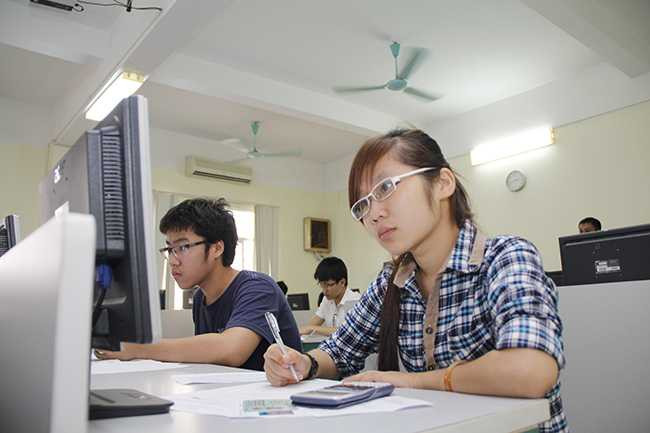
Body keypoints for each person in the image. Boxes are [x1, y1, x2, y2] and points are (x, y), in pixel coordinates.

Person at [263, 129, 567, 433]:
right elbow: (340, 350)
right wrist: (304, 363)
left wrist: (413, 381)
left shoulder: (506, 258)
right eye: (363, 205)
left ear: (442, 183)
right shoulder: (392, 282)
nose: (373, 215)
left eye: (385, 188)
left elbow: (531, 369)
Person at [96, 198, 301, 371]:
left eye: (183, 247)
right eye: (169, 250)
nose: (173, 260)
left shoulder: (258, 288)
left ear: (216, 248)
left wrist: (138, 348)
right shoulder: (201, 298)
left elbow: (231, 350)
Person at [299, 257, 361, 336]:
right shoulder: (327, 300)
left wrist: (313, 328)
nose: (324, 290)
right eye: (322, 285)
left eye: (329, 285)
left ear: (342, 282)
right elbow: (311, 325)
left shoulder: (355, 301)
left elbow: (347, 331)